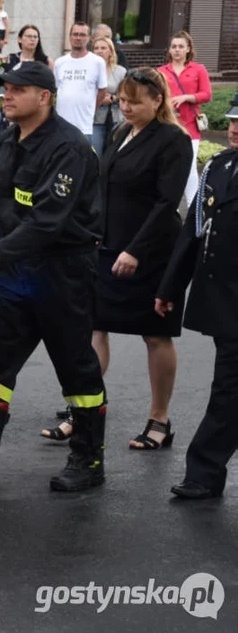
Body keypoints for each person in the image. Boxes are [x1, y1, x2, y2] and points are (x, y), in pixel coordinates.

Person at [0, 61, 107, 491]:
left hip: (61, 272)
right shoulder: (6, 142)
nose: (5, 96)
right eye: (4, 89)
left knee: (76, 367)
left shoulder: (69, 148)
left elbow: (49, 220)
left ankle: (88, 461)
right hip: (12, 272)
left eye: (16, 89)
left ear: (43, 97)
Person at [42, 68, 191, 448]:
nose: (125, 107)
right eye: (122, 100)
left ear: (157, 101)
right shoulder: (122, 132)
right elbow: (103, 190)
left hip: (152, 251)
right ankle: (84, 411)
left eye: (134, 101)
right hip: (107, 246)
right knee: (94, 326)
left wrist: (135, 251)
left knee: (155, 335)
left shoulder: (174, 139)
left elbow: (166, 202)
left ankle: (160, 419)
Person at [156, 95, 238, 499]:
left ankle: (203, 471)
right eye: (234, 119)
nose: (236, 127)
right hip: (225, 300)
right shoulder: (220, 166)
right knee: (230, 386)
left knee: (229, 388)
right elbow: (195, 231)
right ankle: (204, 473)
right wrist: (171, 287)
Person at [158, 31, 211, 209]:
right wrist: (166, 103)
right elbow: (155, 95)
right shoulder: (161, 71)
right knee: (166, 167)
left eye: (181, 46)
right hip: (167, 124)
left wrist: (187, 97)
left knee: (188, 168)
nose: (177, 50)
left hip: (190, 127)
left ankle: (194, 208)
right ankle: (165, 207)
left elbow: (207, 94)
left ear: (188, 49)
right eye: (174, 47)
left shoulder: (198, 69)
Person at [54, 22, 108, 140]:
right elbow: (57, 90)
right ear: (70, 37)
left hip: (84, 126)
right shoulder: (60, 62)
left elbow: (102, 90)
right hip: (60, 126)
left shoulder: (97, 62)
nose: (78, 38)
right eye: (75, 34)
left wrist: (91, 108)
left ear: (89, 38)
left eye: (83, 35)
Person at [89, 36, 126, 156]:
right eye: (96, 48)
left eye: (103, 48)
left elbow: (126, 93)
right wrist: (99, 99)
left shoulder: (121, 71)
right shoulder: (88, 70)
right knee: (96, 154)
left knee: (115, 154)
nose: (99, 51)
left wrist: (113, 98)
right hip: (95, 119)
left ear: (111, 51)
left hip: (116, 118)